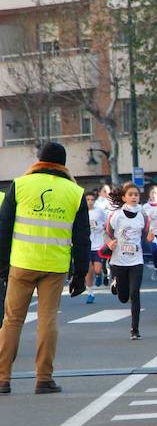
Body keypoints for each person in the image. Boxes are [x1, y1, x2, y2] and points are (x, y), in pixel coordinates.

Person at [0, 142, 90, 394]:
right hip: (54, 266)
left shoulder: (19, 185)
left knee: (12, 320)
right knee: (47, 320)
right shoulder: (75, 192)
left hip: (21, 263)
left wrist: (1, 265)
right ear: (63, 164)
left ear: (38, 160)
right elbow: (82, 238)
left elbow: (3, 229)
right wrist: (81, 274)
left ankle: (2, 378)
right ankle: (43, 378)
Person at [105, 182, 154, 340]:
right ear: (124, 197)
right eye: (130, 194)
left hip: (136, 260)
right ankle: (117, 282)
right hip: (118, 260)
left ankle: (135, 329)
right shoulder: (116, 215)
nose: (134, 197)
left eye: (136, 195)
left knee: (135, 293)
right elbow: (106, 233)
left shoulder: (143, 216)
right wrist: (109, 243)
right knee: (123, 297)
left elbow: (145, 236)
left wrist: (149, 239)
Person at [85, 190, 107, 304]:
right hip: (86, 246)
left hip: (98, 245)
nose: (90, 202)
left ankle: (99, 275)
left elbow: (106, 223)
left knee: (97, 269)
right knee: (88, 270)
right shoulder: (81, 212)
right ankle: (90, 293)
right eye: (87, 200)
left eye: (92, 200)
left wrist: (102, 227)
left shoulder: (100, 211)